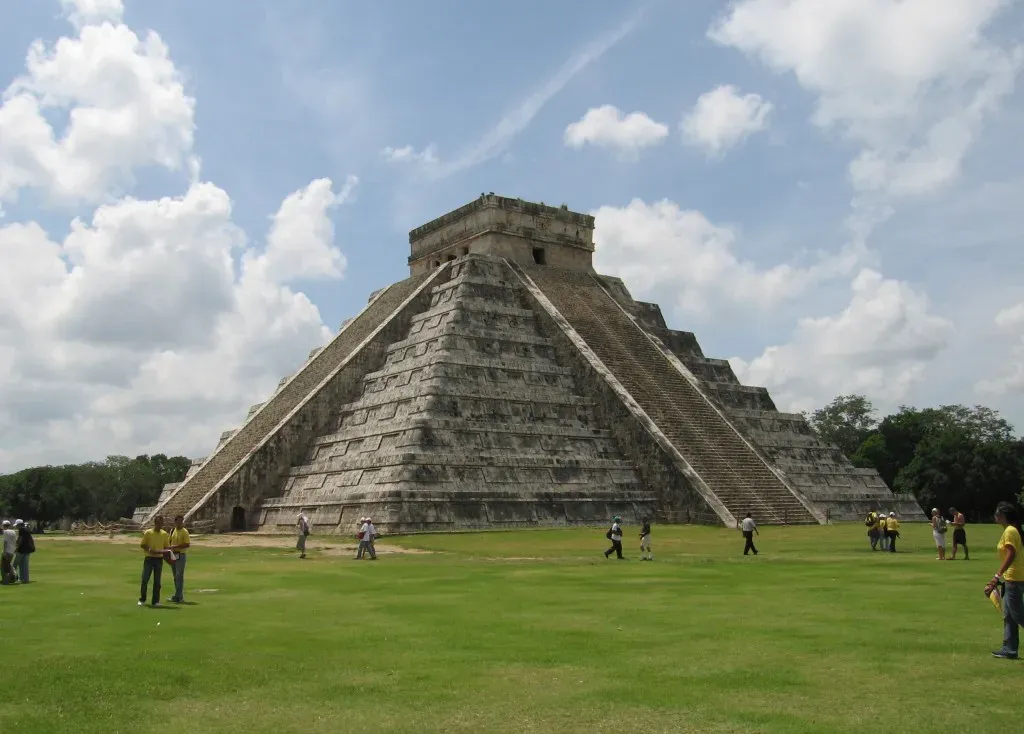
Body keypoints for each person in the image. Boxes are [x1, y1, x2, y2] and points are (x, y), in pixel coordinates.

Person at [984, 501, 1024, 659]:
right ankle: (1010, 649)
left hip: (1014, 578)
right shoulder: (1012, 530)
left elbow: (1011, 554)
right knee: (1009, 616)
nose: (995, 516)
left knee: (1018, 615)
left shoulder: (1009, 531)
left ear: (1004, 516)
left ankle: (1010, 648)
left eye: (997, 514)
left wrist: (996, 576)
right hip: (1012, 577)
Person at [139, 516, 171, 607]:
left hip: (159, 559)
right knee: (145, 579)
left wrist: (166, 555)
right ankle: (142, 599)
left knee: (157, 581)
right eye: (158, 523)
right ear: (155, 523)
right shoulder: (148, 532)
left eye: (161, 523)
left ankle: (155, 601)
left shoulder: (164, 534)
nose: (160, 525)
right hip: (149, 558)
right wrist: (150, 550)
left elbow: (166, 547)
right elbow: (143, 544)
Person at [168, 515, 191, 603]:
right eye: (178, 521)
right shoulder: (172, 530)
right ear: (175, 522)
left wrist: (175, 546)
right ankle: (177, 595)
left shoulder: (184, 531)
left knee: (179, 576)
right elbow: (169, 541)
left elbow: (187, 544)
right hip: (173, 554)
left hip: (181, 555)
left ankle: (180, 596)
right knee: (175, 576)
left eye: (181, 521)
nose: (180, 523)